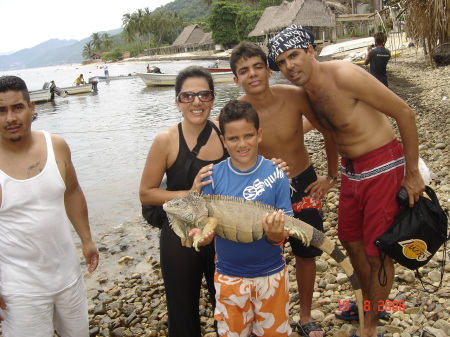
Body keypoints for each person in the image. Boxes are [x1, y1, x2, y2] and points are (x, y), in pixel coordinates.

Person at [267, 24, 424, 337]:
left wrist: (412, 172)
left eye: (294, 56)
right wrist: (330, 174)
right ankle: (369, 304)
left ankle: (371, 328)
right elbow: (322, 128)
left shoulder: (345, 75)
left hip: (382, 165)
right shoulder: (307, 92)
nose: (289, 66)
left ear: (311, 51)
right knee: (350, 241)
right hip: (352, 171)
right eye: (282, 62)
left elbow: (404, 113)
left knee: (375, 250)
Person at [229, 41, 339, 337]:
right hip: (263, 193)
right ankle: (263, 316)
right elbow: (226, 151)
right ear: (235, 79)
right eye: (243, 71)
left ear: (268, 69)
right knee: (264, 256)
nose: (252, 74)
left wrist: (331, 175)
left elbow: (328, 128)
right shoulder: (237, 113)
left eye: (257, 66)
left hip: (305, 185)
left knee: (306, 253)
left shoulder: (294, 96)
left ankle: (305, 315)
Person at [0, 75, 99, 336]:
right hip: (19, 288)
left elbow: (72, 191)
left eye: (17, 107)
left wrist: (86, 240)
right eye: (1, 110)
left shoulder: (56, 146)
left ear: (32, 108)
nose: (10, 118)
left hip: (68, 274)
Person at [139, 66, 229, 337]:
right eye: (187, 96)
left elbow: (248, 157)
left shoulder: (223, 132)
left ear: (213, 99)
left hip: (219, 230)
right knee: (182, 309)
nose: (196, 102)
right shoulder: (165, 141)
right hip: (179, 234)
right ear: (177, 102)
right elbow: (146, 192)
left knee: (225, 304)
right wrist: (188, 194)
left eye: (204, 94)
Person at [201, 100, 294, 337]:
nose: (242, 144)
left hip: (272, 274)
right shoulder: (212, 177)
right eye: (233, 138)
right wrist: (199, 235)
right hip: (228, 275)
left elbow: (284, 231)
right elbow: (204, 227)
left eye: (248, 135)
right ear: (223, 140)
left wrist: (276, 234)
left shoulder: (277, 173)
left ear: (259, 134)